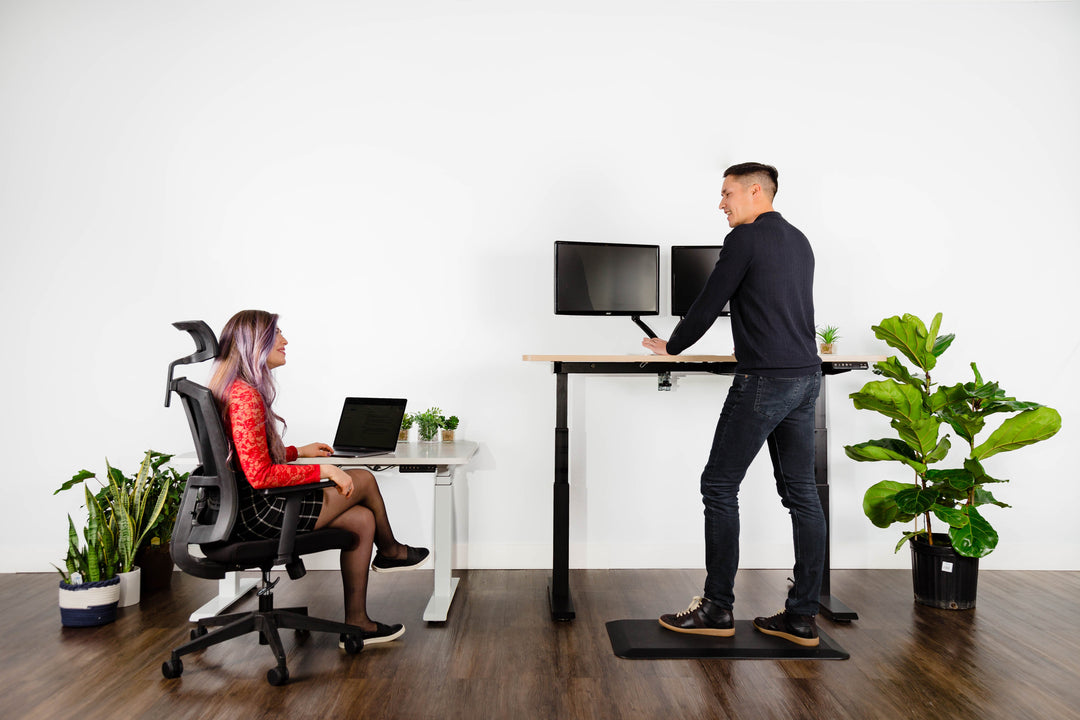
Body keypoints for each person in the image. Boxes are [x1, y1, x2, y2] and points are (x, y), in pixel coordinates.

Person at [643, 163, 825, 647]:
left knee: (718, 486)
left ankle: (716, 607)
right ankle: (802, 616)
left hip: (765, 381)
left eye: (726, 193)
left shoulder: (744, 239)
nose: (721, 203)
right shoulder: (799, 239)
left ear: (755, 191)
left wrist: (673, 346)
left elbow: (709, 301)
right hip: (806, 379)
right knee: (802, 496)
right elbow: (779, 306)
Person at [208, 309, 429, 647]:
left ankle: (358, 624)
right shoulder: (246, 396)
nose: (284, 340)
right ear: (255, 343)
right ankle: (391, 552)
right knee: (364, 479)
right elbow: (259, 474)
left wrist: (298, 451)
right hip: (259, 514)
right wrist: (323, 470)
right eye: (276, 334)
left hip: (241, 509)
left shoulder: (231, 389)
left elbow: (248, 455)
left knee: (360, 518)